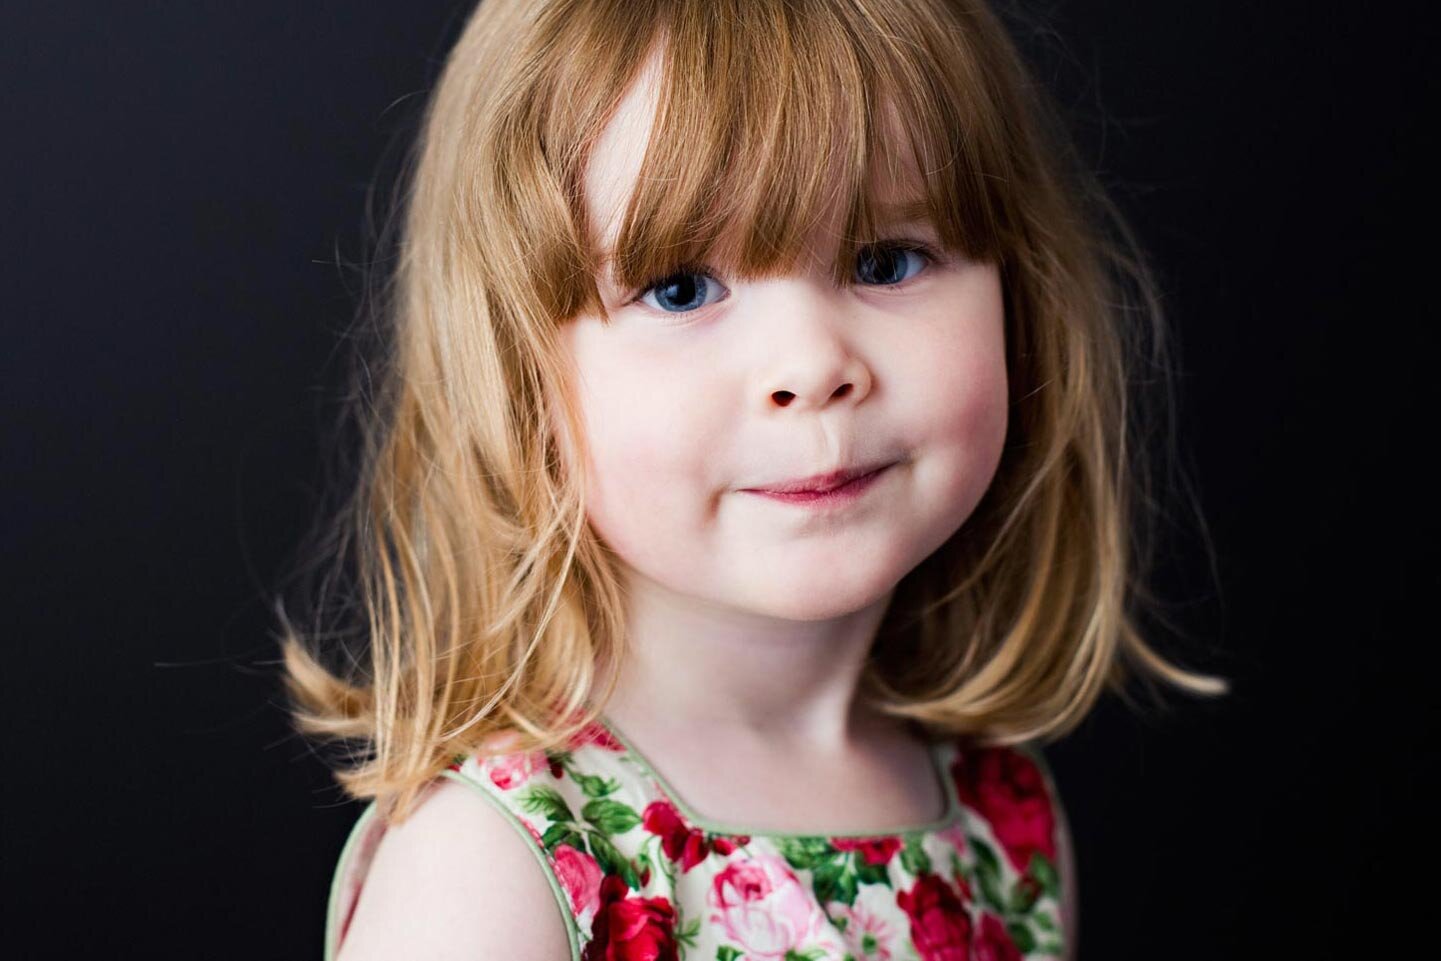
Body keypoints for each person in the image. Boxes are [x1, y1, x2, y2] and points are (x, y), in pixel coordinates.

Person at [275, 1, 1228, 958]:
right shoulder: (493, 863)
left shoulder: (996, 813)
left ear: (1021, 295)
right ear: (513, 371)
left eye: (887, 260)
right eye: (680, 286)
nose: (812, 365)